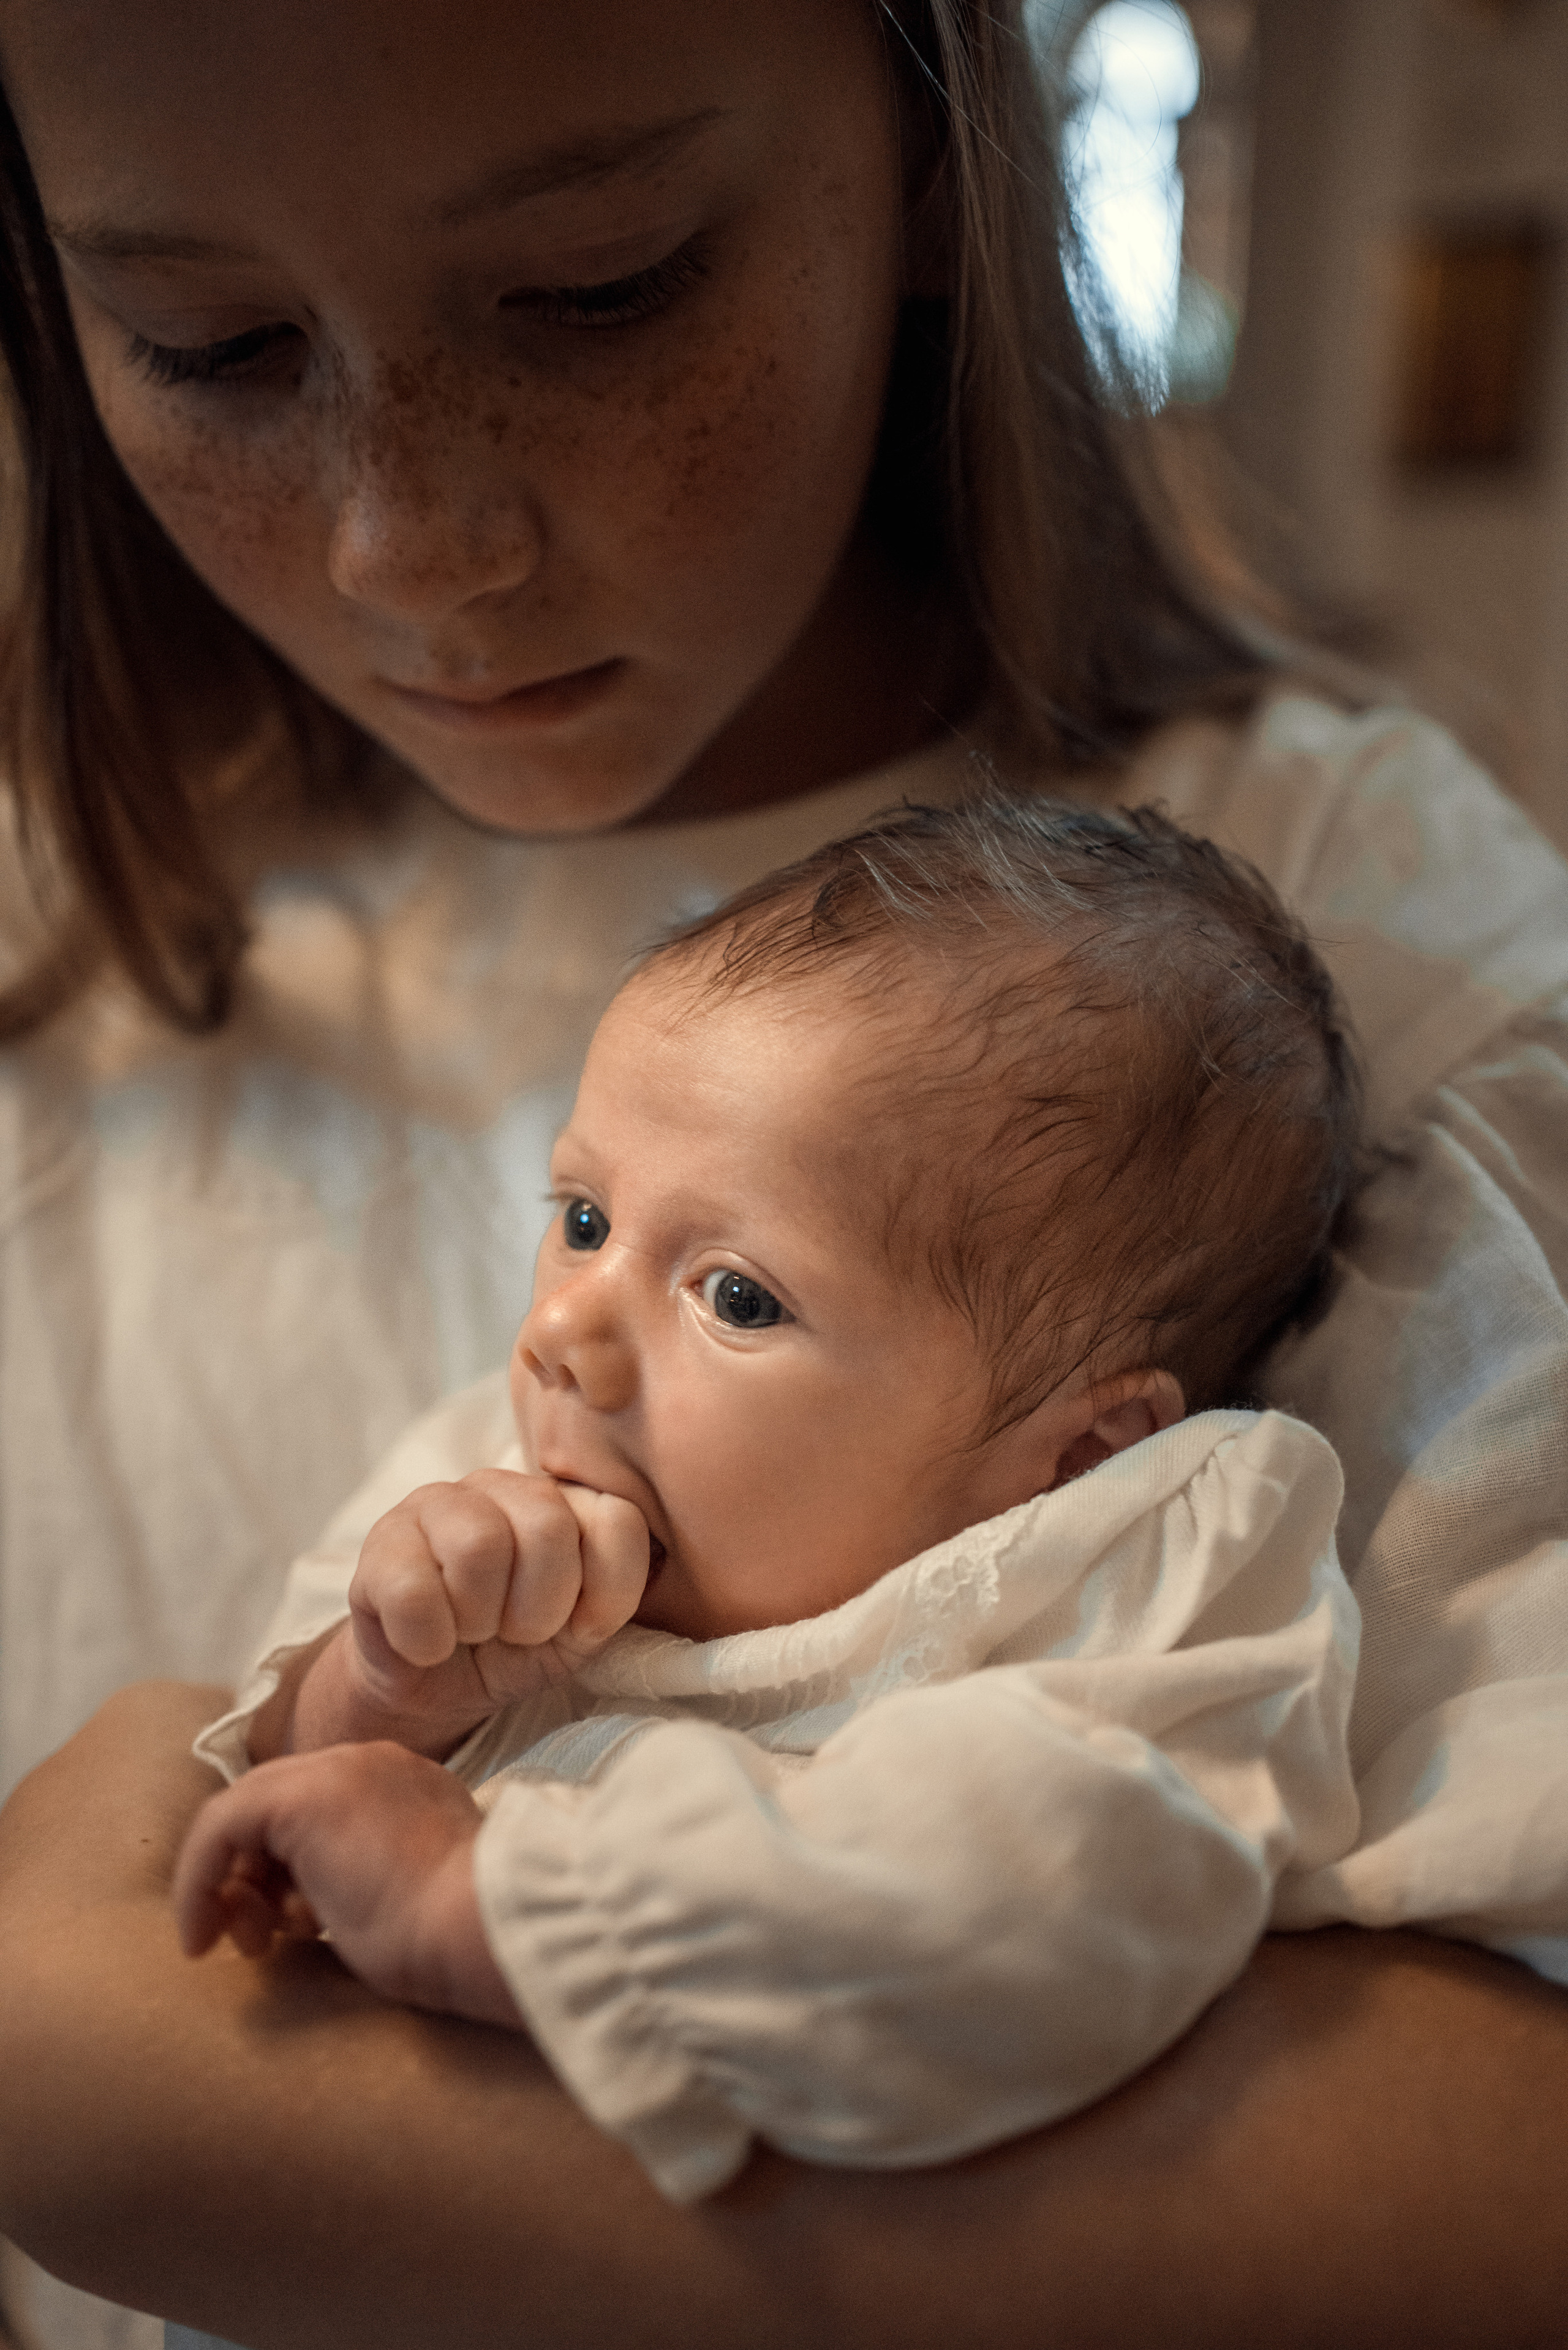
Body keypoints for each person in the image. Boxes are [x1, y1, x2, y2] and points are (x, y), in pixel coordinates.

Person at [0, 1, 1565, 2346]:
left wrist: (153, 2108)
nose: (413, 540)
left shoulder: (1361, 938)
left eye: (599, 285)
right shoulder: (60, 971)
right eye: (206, 341)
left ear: (944, 159)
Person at [172, 796, 1363, 2201]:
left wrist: (481, 1903)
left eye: (736, 1296)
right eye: (583, 1218)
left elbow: (1048, 1901)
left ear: (1078, 1453)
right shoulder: (481, 1468)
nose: (566, 1332)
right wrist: (372, 1688)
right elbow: (264, 1783)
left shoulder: (1128, 1564)